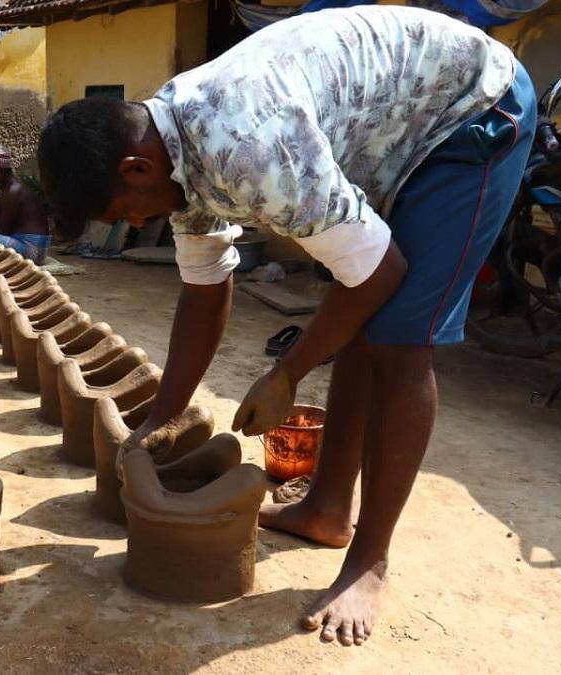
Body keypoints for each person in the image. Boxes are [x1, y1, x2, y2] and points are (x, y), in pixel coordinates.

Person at [37, 5, 535, 646]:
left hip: (472, 115)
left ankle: (369, 561)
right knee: (361, 318)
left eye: (122, 212)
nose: (133, 225)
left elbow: (380, 272)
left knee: (400, 338)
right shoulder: (174, 153)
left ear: (137, 169)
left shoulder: (249, 150)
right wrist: (164, 414)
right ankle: (327, 509)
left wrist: (287, 372)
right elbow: (203, 289)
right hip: (395, 123)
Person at [0, 144, 52, 263]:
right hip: (19, 243)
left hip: (34, 252)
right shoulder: (6, 190)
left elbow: (2, 233)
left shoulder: (13, 192)